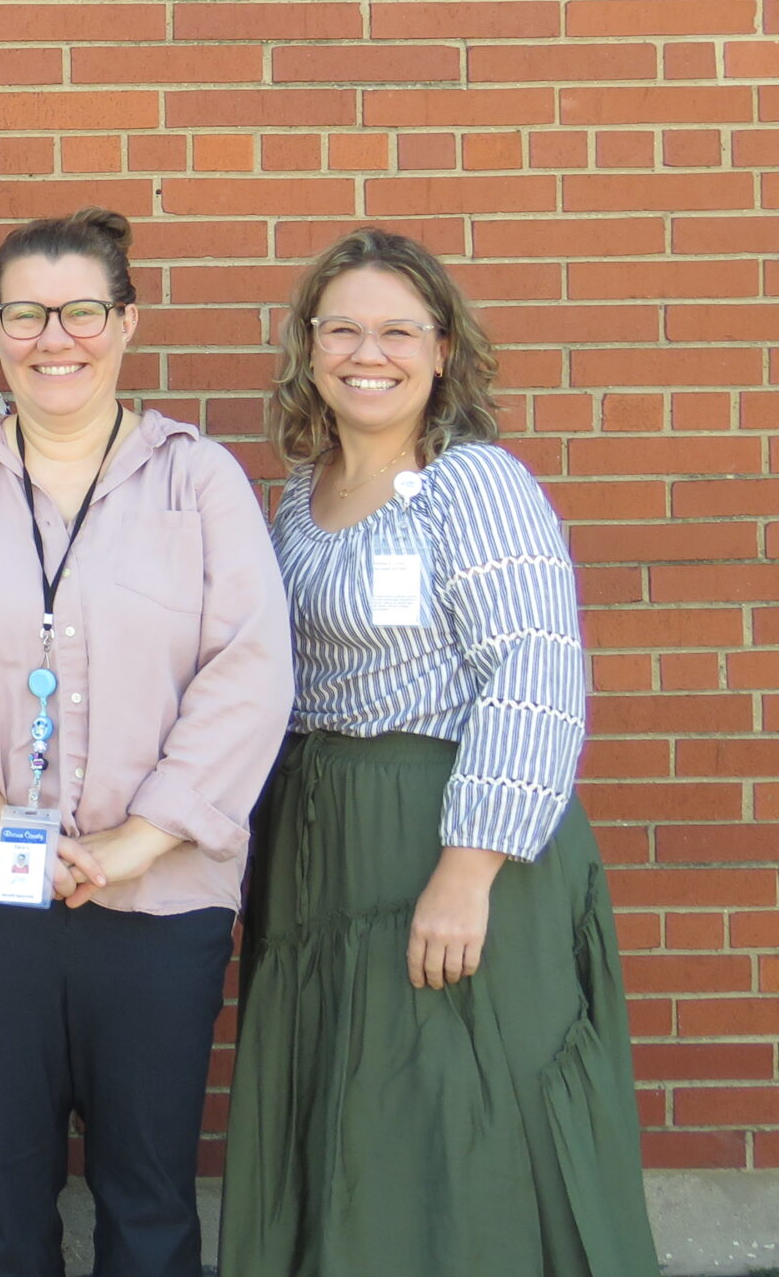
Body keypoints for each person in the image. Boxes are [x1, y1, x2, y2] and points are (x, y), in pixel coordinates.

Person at [0, 209, 292, 1277]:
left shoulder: (198, 480)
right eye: (25, 315)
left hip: (158, 896)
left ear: (127, 322)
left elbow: (250, 672)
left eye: (82, 311)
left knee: (147, 1195)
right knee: (2, 1195)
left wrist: (139, 843)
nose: (55, 339)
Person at [219, 229, 659, 1277]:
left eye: (396, 331)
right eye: (342, 330)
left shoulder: (477, 485)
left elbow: (536, 673)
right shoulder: (296, 497)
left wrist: (468, 871)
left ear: (443, 349)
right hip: (319, 846)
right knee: (352, 1118)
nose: (367, 353)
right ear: (309, 347)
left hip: (445, 830)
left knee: (465, 1115)